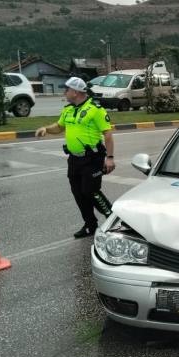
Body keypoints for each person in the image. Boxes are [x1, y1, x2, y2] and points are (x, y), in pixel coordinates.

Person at [35, 77, 116, 237]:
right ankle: (90, 225)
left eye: (66, 89)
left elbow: (107, 134)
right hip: (74, 159)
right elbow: (59, 126)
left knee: (91, 191)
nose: (64, 92)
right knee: (78, 193)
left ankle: (114, 219)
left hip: (92, 158)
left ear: (76, 92)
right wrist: (46, 129)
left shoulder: (95, 109)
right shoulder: (68, 109)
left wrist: (110, 157)